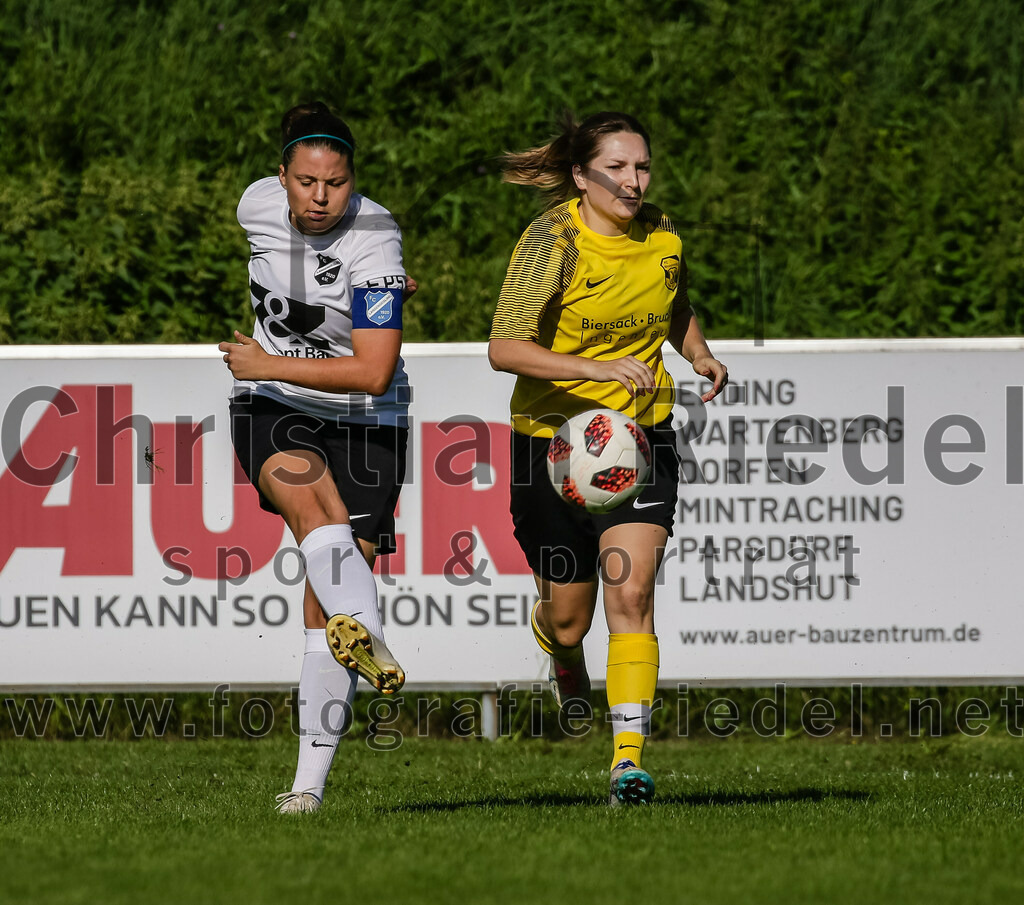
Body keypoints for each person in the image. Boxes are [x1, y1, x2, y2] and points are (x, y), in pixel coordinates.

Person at [488, 111, 728, 806]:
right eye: (617, 168)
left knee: (632, 590)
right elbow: (505, 348)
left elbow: (675, 301)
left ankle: (628, 762)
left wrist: (700, 352)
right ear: (580, 176)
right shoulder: (551, 238)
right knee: (570, 618)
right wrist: (593, 366)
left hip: (641, 437)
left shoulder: (663, 232)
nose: (633, 180)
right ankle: (560, 649)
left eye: (642, 166)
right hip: (553, 444)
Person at [219, 102, 412, 814]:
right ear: (282, 177)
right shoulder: (255, 205)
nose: (320, 197)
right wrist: (269, 370)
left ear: (352, 180)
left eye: (334, 183)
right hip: (274, 406)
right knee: (313, 508)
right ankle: (378, 640)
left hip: (366, 419)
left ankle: (306, 788)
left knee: (323, 608)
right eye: (306, 181)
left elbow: (372, 373)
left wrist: (270, 356)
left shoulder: (376, 239)